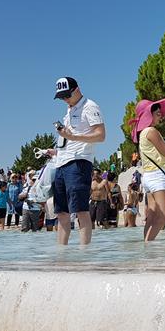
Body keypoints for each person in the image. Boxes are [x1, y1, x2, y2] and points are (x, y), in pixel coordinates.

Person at [46, 77, 106, 246]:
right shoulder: (69, 110)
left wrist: (72, 136)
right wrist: (56, 152)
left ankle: (84, 255)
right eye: (61, 97)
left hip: (79, 163)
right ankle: (61, 254)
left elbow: (101, 135)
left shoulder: (90, 106)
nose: (65, 99)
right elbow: (70, 140)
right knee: (61, 213)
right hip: (62, 162)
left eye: (67, 95)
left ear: (77, 89)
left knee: (81, 210)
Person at [130, 98, 165, 242]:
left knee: (152, 215)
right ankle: (148, 244)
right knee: (164, 215)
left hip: (149, 176)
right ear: (149, 115)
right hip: (157, 176)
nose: (161, 116)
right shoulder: (151, 131)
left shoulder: (144, 133)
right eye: (158, 113)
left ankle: (147, 246)